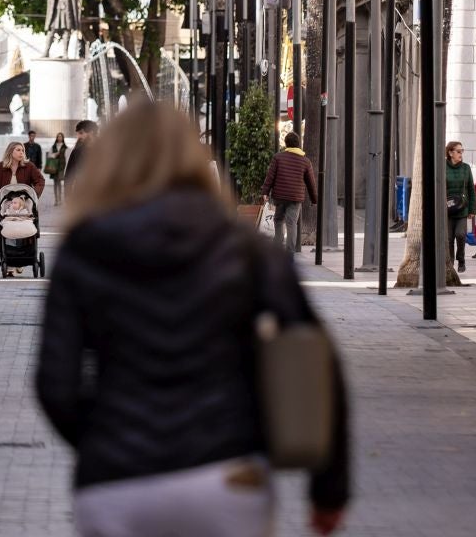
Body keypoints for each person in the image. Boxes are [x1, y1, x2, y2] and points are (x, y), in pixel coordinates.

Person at [36, 101, 349, 536]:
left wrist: (103, 439)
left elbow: (55, 382)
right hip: (227, 471)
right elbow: (317, 360)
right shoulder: (248, 251)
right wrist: (329, 489)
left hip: (116, 480)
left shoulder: (84, 251)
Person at [0, 140, 46, 274]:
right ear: (10, 152)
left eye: (23, 150)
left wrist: (34, 194)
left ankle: (22, 259)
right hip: (7, 206)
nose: (21, 153)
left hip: (24, 206)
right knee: (7, 231)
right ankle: (11, 262)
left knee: (23, 230)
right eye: (18, 150)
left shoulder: (29, 166)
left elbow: (40, 180)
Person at [261, 131, 318, 253]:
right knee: (292, 224)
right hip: (295, 198)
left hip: (279, 196)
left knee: (278, 220)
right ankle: (290, 253)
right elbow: (311, 183)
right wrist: (314, 199)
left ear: (286, 144)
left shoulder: (278, 157)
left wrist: (265, 192)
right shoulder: (305, 161)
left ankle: (277, 248)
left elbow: (270, 176)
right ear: (298, 144)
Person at [444, 141, 475, 277]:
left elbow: (471, 190)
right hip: (447, 209)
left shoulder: (466, 168)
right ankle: (450, 263)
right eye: (458, 151)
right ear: (450, 153)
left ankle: (461, 260)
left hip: (462, 208)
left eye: (462, 151)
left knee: (461, 235)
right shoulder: (442, 167)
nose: (460, 154)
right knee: (449, 238)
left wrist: (472, 210)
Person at [63, 119, 96, 185]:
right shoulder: (77, 151)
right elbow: (69, 176)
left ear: (91, 132)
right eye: (78, 134)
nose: (79, 136)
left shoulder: (106, 149)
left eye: (81, 133)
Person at [45, 132, 70, 205]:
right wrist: (55, 154)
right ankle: (56, 200)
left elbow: (67, 158)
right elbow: (49, 155)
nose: (59, 138)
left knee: (59, 183)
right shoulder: (53, 147)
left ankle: (60, 200)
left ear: (62, 138)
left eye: (61, 137)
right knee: (55, 183)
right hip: (54, 167)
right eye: (58, 136)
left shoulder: (65, 147)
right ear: (57, 138)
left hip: (61, 167)